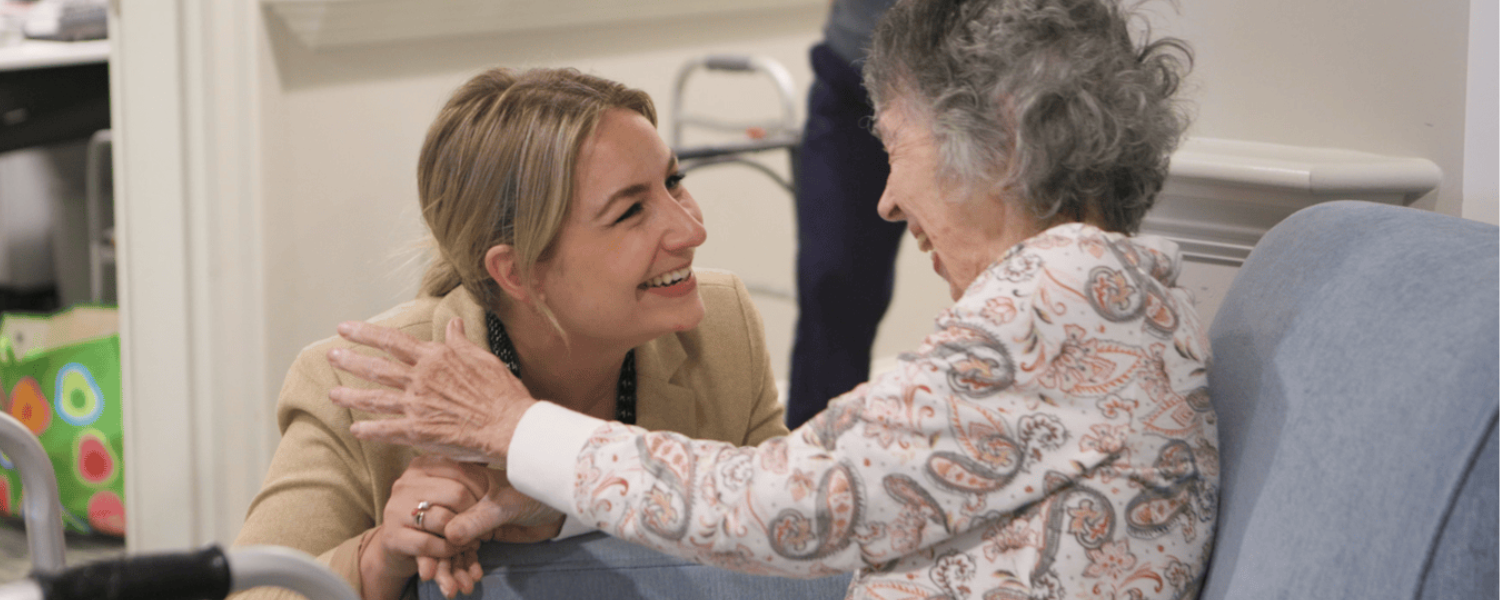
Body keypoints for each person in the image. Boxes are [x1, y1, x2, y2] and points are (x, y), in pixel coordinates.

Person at [326, 0, 1220, 597]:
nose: (884, 198)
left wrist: (513, 430)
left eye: (897, 147)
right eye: (630, 210)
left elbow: (785, 508)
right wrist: (533, 510)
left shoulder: (1060, 294)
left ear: (1006, 138)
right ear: (514, 269)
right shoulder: (1107, 292)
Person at [231, 68, 791, 600]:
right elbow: (257, 590)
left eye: (675, 182)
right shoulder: (352, 385)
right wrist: (380, 557)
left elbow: (795, 541)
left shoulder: (722, 330)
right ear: (519, 272)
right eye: (631, 211)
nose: (692, 229)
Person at [787, 0, 902, 429]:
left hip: (986, 80)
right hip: (852, 76)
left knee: (1000, 276)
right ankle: (812, 465)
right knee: (831, 283)